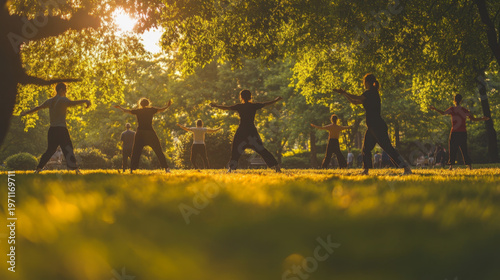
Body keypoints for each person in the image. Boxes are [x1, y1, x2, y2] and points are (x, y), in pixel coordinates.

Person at [334, 74, 412, 175]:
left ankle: (406, 168)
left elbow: (356, 97)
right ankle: (366, 170)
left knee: (388, 148)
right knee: (365, 148)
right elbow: (354, 102)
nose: (363, 84)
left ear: (367, 82)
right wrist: (344, 94)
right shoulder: (370, 94)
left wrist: (344, 92)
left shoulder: (371, 93)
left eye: (364, 82)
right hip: (372, 127)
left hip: (377, 126)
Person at [20, 83, 91, 173]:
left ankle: (38, 169)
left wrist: (26, 113)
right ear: (61, 90)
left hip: (52, 130)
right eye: (65, 90)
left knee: (50, 150)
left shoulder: (50, 101)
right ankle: (75, 170)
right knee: (68, 148)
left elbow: (38, 107)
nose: (66, 92)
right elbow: (72, 103)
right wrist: (85, 100)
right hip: (61, 129)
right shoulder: (63, 99)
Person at [210, 90, 282, 172]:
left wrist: (216, 106)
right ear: (250, 96)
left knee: (236, 149)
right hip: (251, 130)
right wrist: (276, 100)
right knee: (261, 150)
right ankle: (276, 166)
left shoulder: (239, 106)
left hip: (242, 131)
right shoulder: (254, 106)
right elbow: (266, 103)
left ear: (241, 97)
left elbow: (227, 108)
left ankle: (231, 168)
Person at [429, 94, 489, 170]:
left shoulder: (452, 109)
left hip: (454, 132)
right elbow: (473, 119)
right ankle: (469, 166)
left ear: (454, 100)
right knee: (464, 149)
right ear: (461, 100)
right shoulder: (464, 110)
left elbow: (443, 113)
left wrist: (435, 108)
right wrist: (482, 119)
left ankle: (451, 167)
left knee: (452, 149)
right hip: (463, 133)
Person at [114, 98, 172, 173]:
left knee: (135, 151)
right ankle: (166, 168)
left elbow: (127, 111)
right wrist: (167, 106)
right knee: (158, 150)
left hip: (140, 133)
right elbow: (161, 109)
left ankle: (132, 169)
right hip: (150, 132)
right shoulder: (151, 110)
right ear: (148, 103)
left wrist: (120, 107)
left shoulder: (138, 111)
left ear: (140, 104)